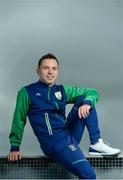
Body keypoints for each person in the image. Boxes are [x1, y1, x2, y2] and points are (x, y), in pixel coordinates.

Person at [7, 53, 121, 179]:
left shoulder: (62, 90)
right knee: (89, 176)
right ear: (38, 71)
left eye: (54, 68)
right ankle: (89, 145)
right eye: (46, 68)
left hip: (69, 134)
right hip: (54, 143)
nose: (50, 72)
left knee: (85, 99)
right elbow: (19, 119)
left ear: (57, 71)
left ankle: (96, 143)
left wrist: (87, 103)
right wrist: (14, 147)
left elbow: (92, 92)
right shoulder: (27, 92)